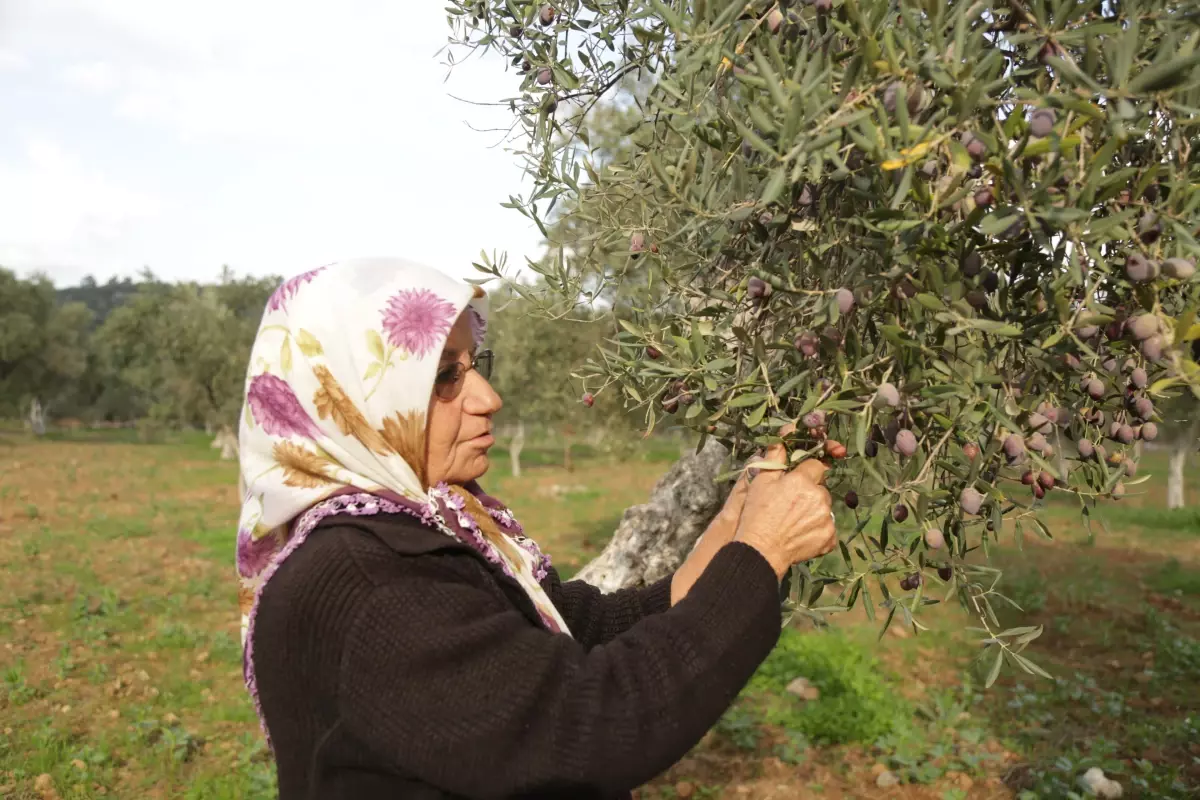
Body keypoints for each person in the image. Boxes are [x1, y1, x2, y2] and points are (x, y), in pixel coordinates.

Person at [236, 258, 837, 800]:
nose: (488, 398)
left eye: (476, 366)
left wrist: (736, 522)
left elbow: (565, 630)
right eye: (445, 377)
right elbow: (592, 725)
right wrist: (762, 552)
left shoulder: (423, 527)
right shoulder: (369, 585)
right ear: (351, 399)